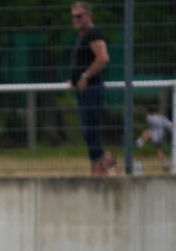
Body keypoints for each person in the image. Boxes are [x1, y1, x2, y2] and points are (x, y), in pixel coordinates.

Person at [68, 2, 110, 176]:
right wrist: (74, 79)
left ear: (89, 16)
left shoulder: (93, 33)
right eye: (74, 16)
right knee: (89, 133)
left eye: (80, 16)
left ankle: (102, 169)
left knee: (91, 131)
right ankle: (99, 169)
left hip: (91, 90)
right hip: (84, 91)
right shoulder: (83, 36)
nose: (76, 19)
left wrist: (85, 77)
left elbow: (103, 58)